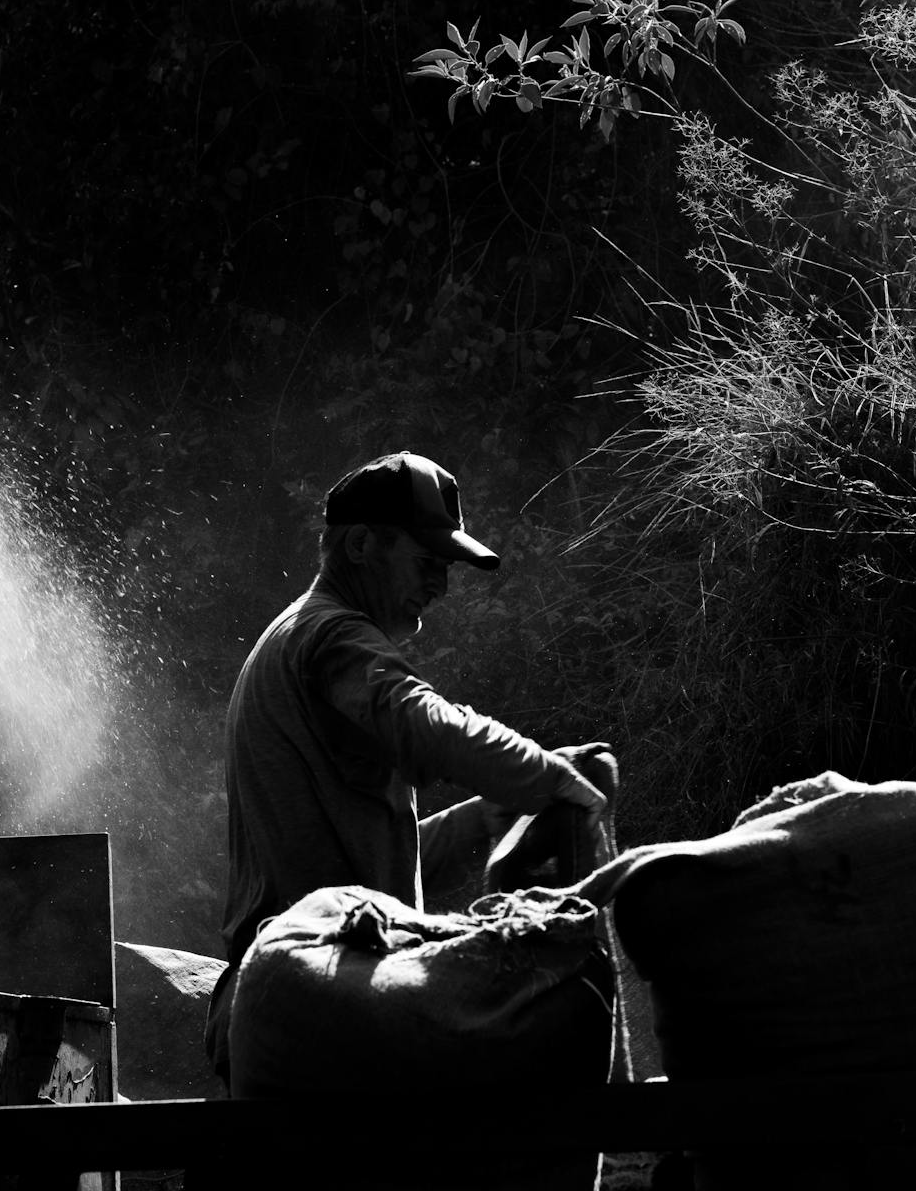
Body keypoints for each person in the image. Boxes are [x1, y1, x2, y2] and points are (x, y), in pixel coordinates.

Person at [204, 451, 613, 1085]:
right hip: (318, 1008)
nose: (441, 585)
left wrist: (485, 815)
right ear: (363, 544)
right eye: (427, 563)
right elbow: (423, 723)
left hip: (293, 1003)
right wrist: (547, 777)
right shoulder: (331, 635)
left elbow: (372, 867)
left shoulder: (295, 640)